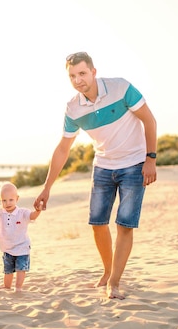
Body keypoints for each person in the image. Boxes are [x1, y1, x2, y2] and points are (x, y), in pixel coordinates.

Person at [34, 52, 157, 300]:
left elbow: (149, 120)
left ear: (93, 71)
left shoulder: (120, 88)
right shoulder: (73, 108)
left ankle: (114, 282)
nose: (78, 80)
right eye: (72, 76)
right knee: (97, 223)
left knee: (124, 223)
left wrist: (151, 159)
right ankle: (108, 270)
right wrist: (47, 187)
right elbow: (63, 149)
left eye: (82, 73)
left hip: (134, 164)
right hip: (103, 166)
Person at [0, 182, 42, 292]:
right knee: (8, 269)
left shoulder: (22, 212)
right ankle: (7, 286)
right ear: (0, 200)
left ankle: (18, 287)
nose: (7, 203)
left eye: (11, 200)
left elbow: (32, 216)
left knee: (20, 268)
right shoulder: (0, 212)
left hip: (22, 247)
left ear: (17, 199)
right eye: (4, 200)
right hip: (7, 248)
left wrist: (38, 210)